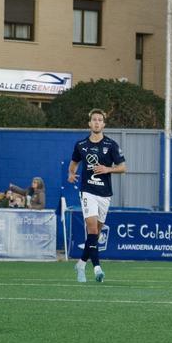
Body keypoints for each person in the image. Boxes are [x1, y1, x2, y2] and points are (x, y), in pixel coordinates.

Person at [69, 109, 125, 283]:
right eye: (94, 119)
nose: (97, 122)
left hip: (105, 194)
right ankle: (97, 269)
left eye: (100, 120)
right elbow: (73, 164)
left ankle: (80, 263)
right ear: (89, 123)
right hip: (88, 192)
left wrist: (108, 169)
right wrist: (71, 174)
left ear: (104, 124)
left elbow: (123, 167)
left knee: (96, 235)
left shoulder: (111, 145)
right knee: (91, 229)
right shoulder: (81, 145)